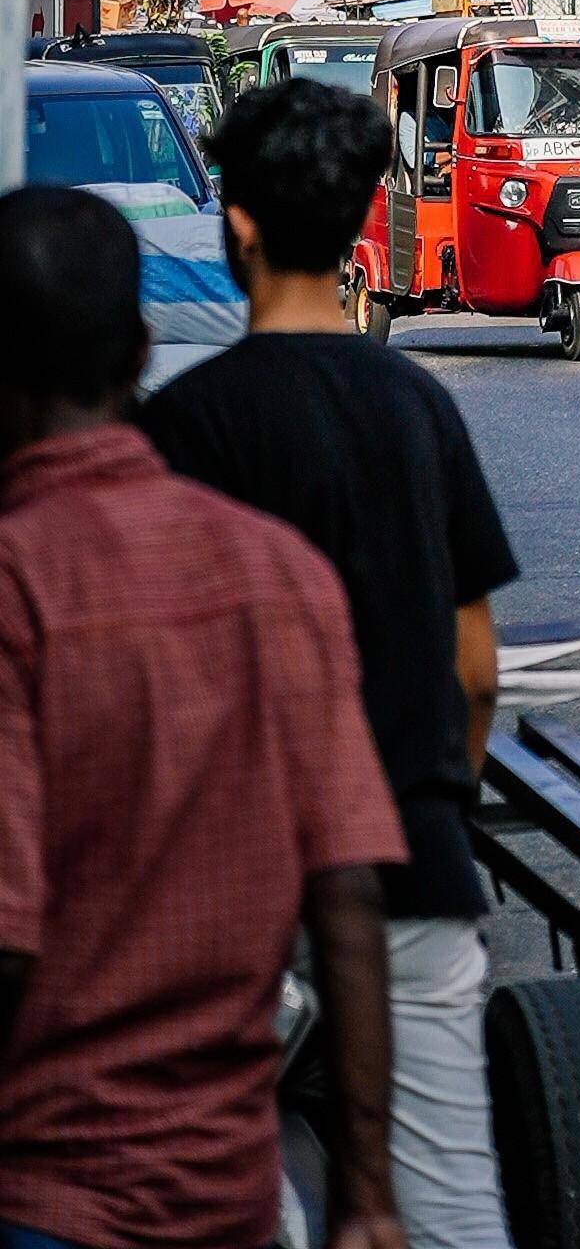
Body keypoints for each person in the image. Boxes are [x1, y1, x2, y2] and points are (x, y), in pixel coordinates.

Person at [148, 81, 522, 1249]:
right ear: (360, 217)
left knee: (236, 1207)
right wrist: (442, 791)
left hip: (229, 898)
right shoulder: (417, 405)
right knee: (450, 1214)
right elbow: (473, 664)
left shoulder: (186, 424)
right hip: (411, 869)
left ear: (240, 227)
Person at [0, 183, 409, 1249]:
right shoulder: (277, 569)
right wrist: (367, 1195)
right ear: (139, 352)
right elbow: (348, 898)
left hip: (47, 1193)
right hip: (234, 1191)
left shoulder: (17, 583)